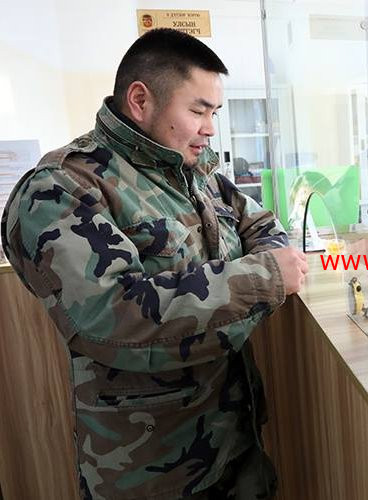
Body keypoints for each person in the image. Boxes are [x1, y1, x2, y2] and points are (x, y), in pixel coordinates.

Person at [0, 28, 308, 499]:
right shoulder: (62, 188)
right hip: (150, 470)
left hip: (234, 442)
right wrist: (264, 278)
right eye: (198, 111)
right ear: (141, 100)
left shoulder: (194, 173)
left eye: (215, 113)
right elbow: (113, 318)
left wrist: (270, 263)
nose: (210, 128)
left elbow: (261, 225)